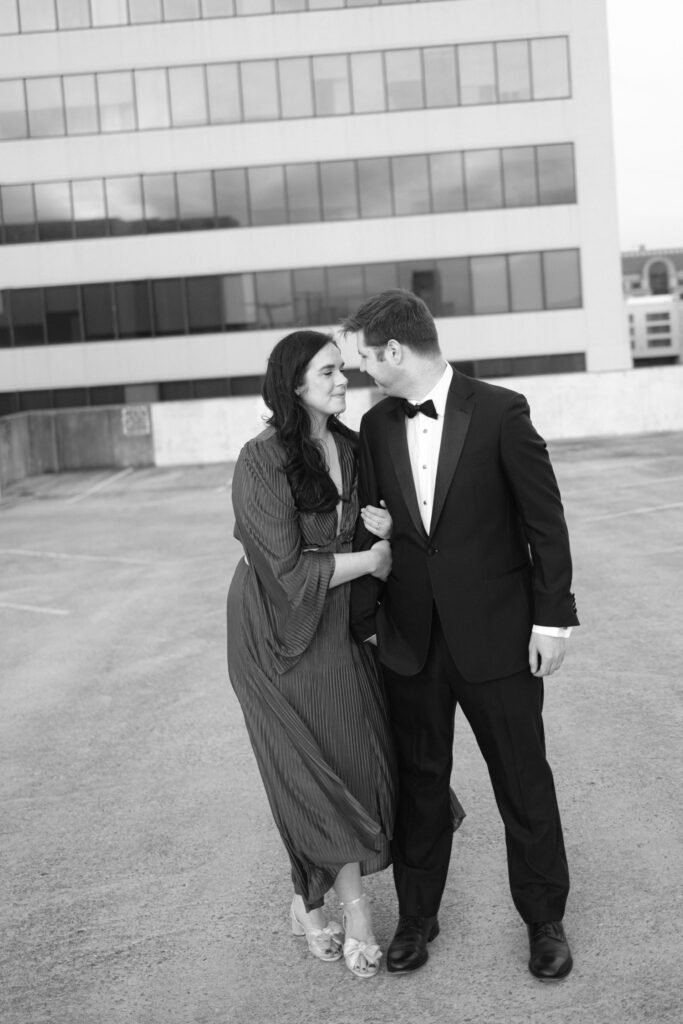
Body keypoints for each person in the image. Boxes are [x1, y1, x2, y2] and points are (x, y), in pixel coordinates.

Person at [343, 289, 579, 981]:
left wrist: (551, 619)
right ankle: (417, 916)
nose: (363, 373)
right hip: (410, 640)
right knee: (420, 784)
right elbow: (377, 523)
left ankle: (544, 921)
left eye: (364, 359)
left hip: (499, 636)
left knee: (521, 780)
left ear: (394, 351)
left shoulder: (501, 410)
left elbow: (545, 522)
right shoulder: (378, 423)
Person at [226, 329, 396, 979]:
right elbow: (284, 568)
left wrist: (377, 531)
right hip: (274, 636)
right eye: (326, 372)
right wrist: (370, 558)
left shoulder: (351, 449)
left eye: (341, 372)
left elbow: (357, 529)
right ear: (293, 384)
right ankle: (355, 913)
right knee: (306, 772)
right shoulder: (260, 459)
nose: (340, 381)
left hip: (332, 623)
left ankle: (306, 901)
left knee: (345, 764)